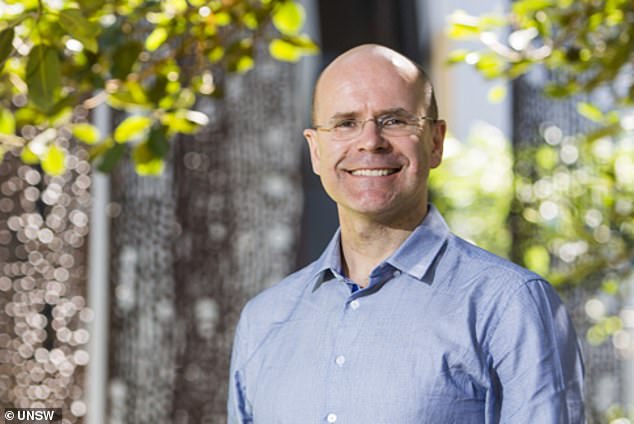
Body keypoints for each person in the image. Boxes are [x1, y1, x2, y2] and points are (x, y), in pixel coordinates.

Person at [227, 44, 584, 423]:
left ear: (435, 142)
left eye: (394, 120)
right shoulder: (263, 320)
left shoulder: (510, 305)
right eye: (345, 123)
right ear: (315, 151)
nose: (370, 141)